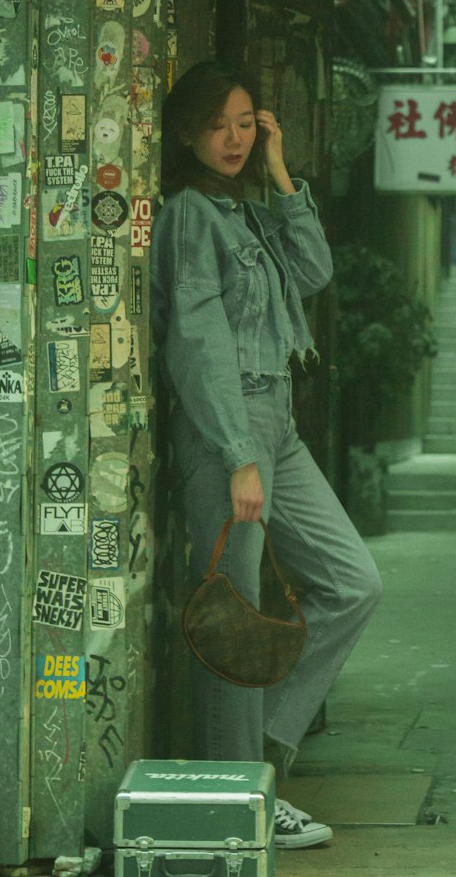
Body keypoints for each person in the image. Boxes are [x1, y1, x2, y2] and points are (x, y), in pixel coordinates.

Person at [150, 61, 383, 850]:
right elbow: (196, 337)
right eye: (218, 125)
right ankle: (235, 795)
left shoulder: (245, 210)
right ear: (186, 131)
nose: (233, 139)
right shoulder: (189, 215)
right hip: (233, 425)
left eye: (246, 123)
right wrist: (236, 453)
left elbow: (314, 272)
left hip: (278, 418)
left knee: (353, 582)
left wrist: (284, 177)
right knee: (235, 613)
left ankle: (262, 767)